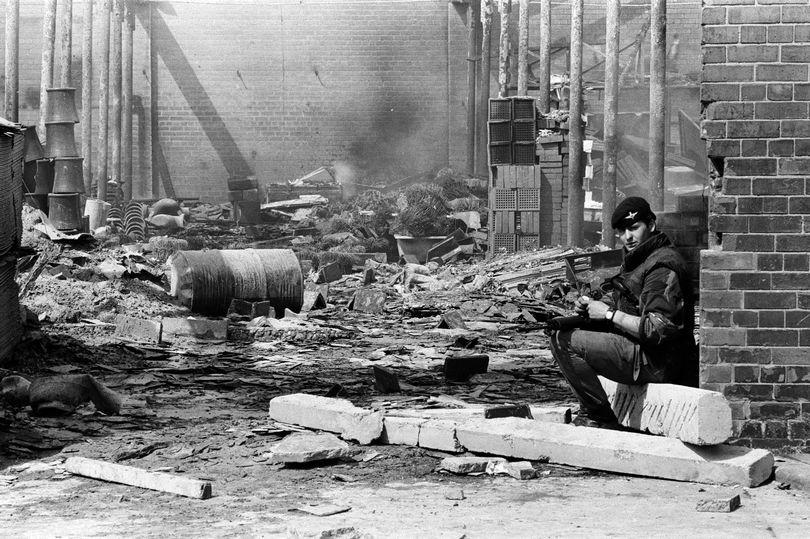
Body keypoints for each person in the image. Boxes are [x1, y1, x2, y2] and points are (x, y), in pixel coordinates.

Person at [548, 196, 698, 428]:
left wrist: (607, 314)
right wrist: (590, 307)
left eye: (634, 228)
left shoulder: (661, 265)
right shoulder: (642, 258)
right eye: (621, 231)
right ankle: (596, 414)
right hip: (648, 353)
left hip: (659, 361)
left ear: (651, 225)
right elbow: (625, 298)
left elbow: (658, 329)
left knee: (565, 342)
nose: (627, 237)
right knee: (567, 330)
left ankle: (599, 419)